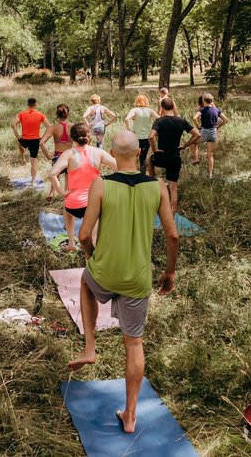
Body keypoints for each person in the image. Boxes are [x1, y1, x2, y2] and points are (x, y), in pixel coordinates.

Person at [66, 130, 179, 436]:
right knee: (134, 344)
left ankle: (90, 347)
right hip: (138, 278)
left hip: (105, 271)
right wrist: (169, 272)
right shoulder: (157, 186)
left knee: (86, 283)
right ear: (141, 154)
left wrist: (92, 257)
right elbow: (172, 235)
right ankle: (130, 416)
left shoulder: (101, 183)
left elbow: (85, 234)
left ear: (113, 156)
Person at [47, 123, 117, 252]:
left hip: (73, 204)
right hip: (93, 204)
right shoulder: (98, 152)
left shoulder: (68, 154)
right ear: (89, 137)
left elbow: (52, 175)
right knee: (95, 233)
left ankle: (72, 244)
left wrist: (62, 192)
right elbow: (118, 167)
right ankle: (94, 249)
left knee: (66, 209)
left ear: (71, 138)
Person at [149, 97, 200, 212]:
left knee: (150, 160)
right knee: (173, 187)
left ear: (161, 108)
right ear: (173, 107)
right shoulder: (181, 121)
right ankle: (173, 212)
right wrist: (185, 145)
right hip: (174, 157)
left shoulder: (159, 121)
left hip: (161, 157)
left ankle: (152, 181)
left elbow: (151, 136)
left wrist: (154, 149)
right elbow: (197, 134)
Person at [13, 98, 49, 185]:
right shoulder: (40, 115)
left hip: (24, 140)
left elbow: (13, 125)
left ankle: (23, 157)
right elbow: (49, 127)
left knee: (19, 143)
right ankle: (33, 181)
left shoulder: (21, 114)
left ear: (28, 105)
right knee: (33, 161)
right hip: (35, 141)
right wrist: (43, 139)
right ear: (36, 105)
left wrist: (19, 138)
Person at [192, 93, 229, 179]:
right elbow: (226, 120)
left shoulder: (201, 110)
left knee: (192, 143)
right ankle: (210, 174)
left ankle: (196, 158)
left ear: (203, 101)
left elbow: (194, 118)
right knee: (210, 154)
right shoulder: (217, 110)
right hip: (213, 133)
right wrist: (218, 126)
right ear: (212, 101)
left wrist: (197, 126)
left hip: (204, 132)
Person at [124, 94, 158, 170]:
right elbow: (159, 119)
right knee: (143, 156)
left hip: (136, 137)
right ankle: (142, 172)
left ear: (136, 101)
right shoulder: (150, 111)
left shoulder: (134, 110)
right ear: (146, 101)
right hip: (147, 137)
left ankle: (133, 170)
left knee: (134, 155)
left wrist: (129, 130)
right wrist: (155, 130)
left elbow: (126, 119)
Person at [40, 104, 74, 169]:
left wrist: (49, 156)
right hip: (71, 155)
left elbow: (41, 142)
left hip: (58, 157)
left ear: (57, 114)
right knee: (69, 178)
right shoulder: (73, 127)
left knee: (54, 177)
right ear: (68, 114)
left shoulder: (52, 128)